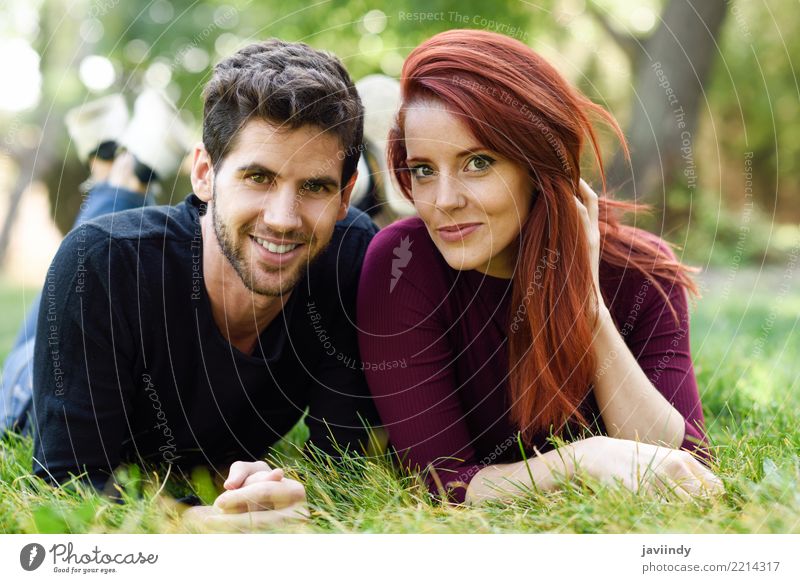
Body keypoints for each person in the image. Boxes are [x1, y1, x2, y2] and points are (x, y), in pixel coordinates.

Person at [357, 29, 724, 505]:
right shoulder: (401, 266)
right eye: (424, 169)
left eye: (477, 163)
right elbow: (444, 486)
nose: (443, 200)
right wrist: (581, 460)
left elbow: (686, 470)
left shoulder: (641, 275)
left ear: (536, 165)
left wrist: (585, 300)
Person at [30, 39, 381, 527]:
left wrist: (282, 488)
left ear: (346, 197)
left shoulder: (352, 259)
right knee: (95, 242)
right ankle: (123, 172)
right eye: (257, 177)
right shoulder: (102, 264)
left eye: (315, 186)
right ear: (204, 173)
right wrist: (195, 525)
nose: (283, 219)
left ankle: (130, 169)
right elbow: (70, 483)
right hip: (30, 381)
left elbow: (340, 464)